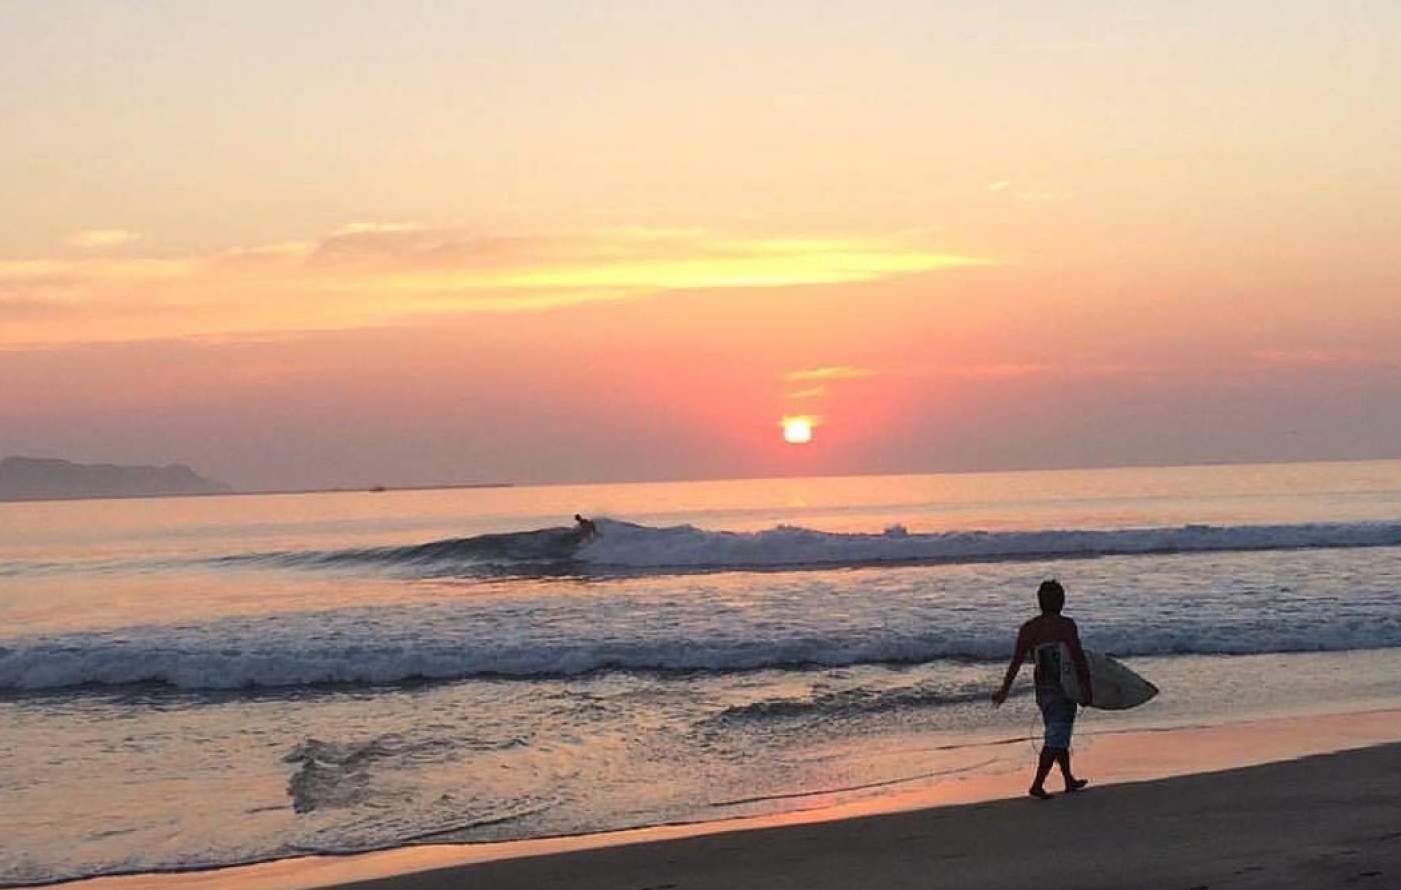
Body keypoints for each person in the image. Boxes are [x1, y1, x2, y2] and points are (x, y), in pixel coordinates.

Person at [991, 579, 1093, 799]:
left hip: (1043, 689)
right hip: (1064, 688)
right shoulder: (1066, 625)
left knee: (1058, 733)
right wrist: (1086, 687)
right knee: (1057, 736)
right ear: (1061, 601)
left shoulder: (1029, 628)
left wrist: (1004, 690)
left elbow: (1016, 662)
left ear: (1039, 602)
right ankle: (1037, 784)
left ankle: (1068, 779)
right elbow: (1078, 657)